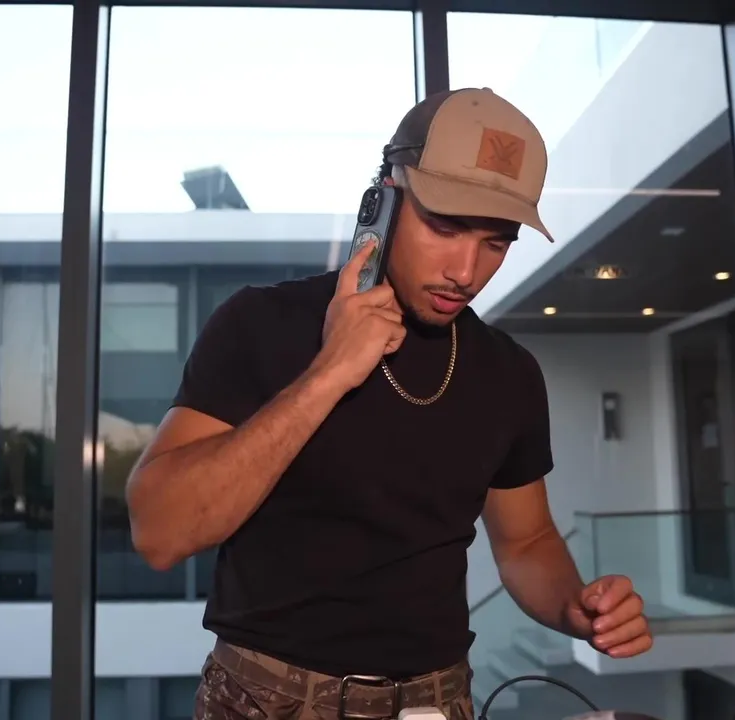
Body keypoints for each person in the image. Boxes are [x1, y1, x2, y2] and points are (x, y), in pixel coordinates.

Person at [127, 88, 654, 720]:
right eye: (445, 227)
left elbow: (526, 542)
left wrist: (575, 605)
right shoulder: (260, 324)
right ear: (383, 199)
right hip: (269, 701)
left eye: (496, 241)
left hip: (438, 701)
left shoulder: (508, 373)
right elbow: (160, 533)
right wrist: (328, 373)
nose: (466, 270)